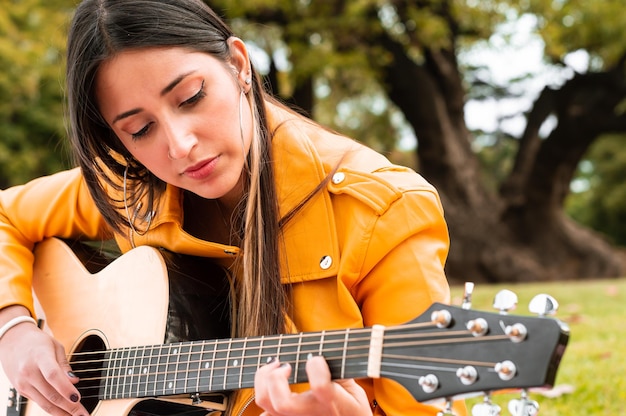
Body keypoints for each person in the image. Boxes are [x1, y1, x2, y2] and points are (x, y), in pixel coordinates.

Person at [0, 0, 466, 415]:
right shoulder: (133, 190)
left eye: (191, 98)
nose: (180, 146)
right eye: (140, 130)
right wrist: (14, 328)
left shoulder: (383, 209)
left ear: (239, 64)